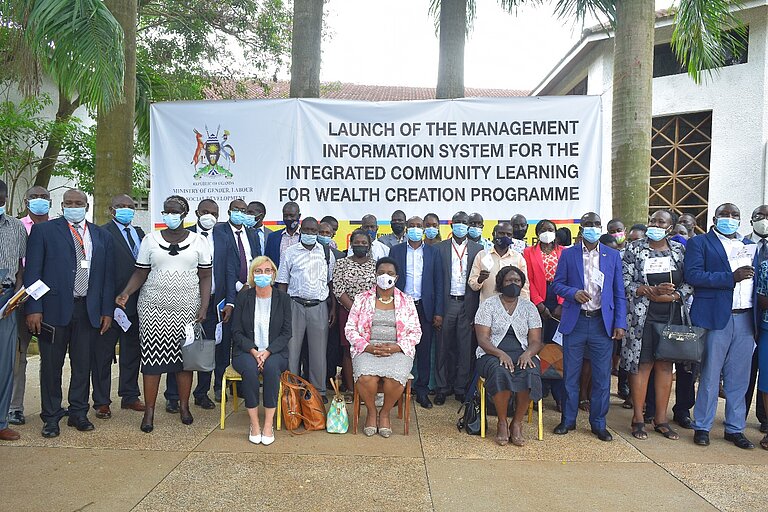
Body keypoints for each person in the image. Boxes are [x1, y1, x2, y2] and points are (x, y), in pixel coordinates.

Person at [116, 195, 212, 433]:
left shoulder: (199, 241)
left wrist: (204, 307)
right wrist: (126, 292)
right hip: (153, 308)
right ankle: (149, 411)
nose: (170, 215)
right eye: (166, 211)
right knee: (152, 361)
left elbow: (206, 276)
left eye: (175, 211)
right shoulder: (150, 240)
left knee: (184, 363)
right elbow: (140, 272)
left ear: (184, 214)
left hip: (187, 308)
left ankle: (184, 406)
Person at [25, 188, 115, 438]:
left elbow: (107, 278)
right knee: (51, 366)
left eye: (79, 203)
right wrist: (34, 308)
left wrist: (106, 310)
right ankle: (51, 417)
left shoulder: (100, 236)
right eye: (69, 203)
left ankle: (78, 413)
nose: (73, 206)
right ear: (62, 206)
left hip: (88, 310)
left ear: (87, 206)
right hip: (52, 310)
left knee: (83, 364)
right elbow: (33, 274)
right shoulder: (44, 232)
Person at [686, 203, 757, 449]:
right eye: (724, 215)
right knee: (710, 374)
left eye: (734, 215)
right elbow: (693, 275)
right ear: (714, 218)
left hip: (746, 316)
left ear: (740, 220)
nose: (729, 219)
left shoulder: (750, 245)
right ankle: (702, 426)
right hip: (716, 317)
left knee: (739, 378)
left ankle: (735, 428)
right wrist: (730, 277)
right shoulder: (700, 243)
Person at [552, 212, 627, 442]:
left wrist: (620, 323)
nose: (592, 228)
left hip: (601, 323)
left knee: (602, 377)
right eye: (588, 224)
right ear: (581, 228)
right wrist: (572, 293)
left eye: (596, 224)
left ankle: (598, 423)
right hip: (576, 321)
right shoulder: (568, 254)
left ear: (601, 228)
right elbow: (556, 284)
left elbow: (619, 293)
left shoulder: (612, 255)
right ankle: (568, 420)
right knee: (571, 375)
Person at [621, 210, 692, 441]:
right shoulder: (633, 249)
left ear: (670, 227)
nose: (655, 224)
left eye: (661, 221)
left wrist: (673, 296)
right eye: (653, 220)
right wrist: (647, 291)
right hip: (643, 315)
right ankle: (638, 418)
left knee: (664, 365)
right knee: (643, 365)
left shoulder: (679, 250)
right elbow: (624, 281)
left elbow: (690, 282)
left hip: (671, 313)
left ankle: (661, 420)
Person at [166, 198, 238, 410]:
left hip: (216, 302)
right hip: (186, 300)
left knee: (208, 348)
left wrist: (231, 302)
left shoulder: (224, 237)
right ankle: (173, 396)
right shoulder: (183, 234)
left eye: (214, 214)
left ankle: (201, 392)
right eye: (205, 211)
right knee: (180, 347)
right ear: (196, 213)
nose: (209, 216)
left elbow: (230, 270)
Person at [345, 257, 422, 437]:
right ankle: (371, 413)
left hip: (398, 350)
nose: (385, 276)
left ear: (396, 277)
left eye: (390, 273)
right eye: (381, 273)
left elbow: (416, 332)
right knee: (366, 379)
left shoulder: (407, 301)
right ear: (375, 275)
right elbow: (349, 329)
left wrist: (396, 347)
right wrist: (367, 347)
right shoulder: (361, 299)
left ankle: (385, 413)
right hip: (367, 349)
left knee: (394, 380)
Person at [475, 266, 543, 446]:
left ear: (522, 284)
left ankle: (517, 423)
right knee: (500, 371)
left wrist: (528, 353)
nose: (513, 284)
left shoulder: (529, 308)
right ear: (500, 283)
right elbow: (482, 339)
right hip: (492, 353)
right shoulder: (488, 305)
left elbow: (536, 341)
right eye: (508, 281)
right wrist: (499, 353)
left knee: (530, 372)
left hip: (523, 353)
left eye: (517, 281)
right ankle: (502, 422)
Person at [93, 194, 146, 421]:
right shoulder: (102, 233)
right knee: (103, 354)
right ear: (111, 209)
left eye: (130, 207)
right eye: (121, 206)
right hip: (111, 304)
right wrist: (109, 301)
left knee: (132, 352)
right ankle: (102, 401)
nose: (126, 210)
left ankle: (130, 395)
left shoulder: (140, 233)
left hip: (136, 304)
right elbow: (100, 270)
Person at [231, 256, 291, 445]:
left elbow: (286, 332)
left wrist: (268, 352)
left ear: (273, 274)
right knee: (249, 370)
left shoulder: (283, 298)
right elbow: (236, 331)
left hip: (275, 353)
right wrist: (254, 351)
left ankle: (268, 424)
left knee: (272, 369)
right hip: (246, 352)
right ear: (252, 274)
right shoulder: (244, 297)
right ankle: (254, 424)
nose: (263, 275)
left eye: (267, 271)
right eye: (258, 271)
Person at [276, 217, 336, 399]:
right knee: (292, 352)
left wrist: (332, 308)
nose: (310, 234)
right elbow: (282, 283)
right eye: (307, 230)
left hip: (319, 306)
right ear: (301, 230)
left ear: (318, 232)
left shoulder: (327, 253)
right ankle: (291, 390)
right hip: (295, 306)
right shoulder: (290, 252)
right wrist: (284, 309)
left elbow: (330, 282)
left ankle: (318, 392)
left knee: (319, 353)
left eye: (314, 231)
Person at [390, 216, 444, 409]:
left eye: (418, 226)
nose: (415, 229)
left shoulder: (432, 252)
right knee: (400, 348)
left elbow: (439, 283)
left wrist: (438, 312)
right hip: (401, 306)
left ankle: (422, 391)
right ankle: (397, 390)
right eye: (411, 226)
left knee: (423, 350)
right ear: (406, 229)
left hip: (424, 307)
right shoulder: (396, 251)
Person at [8, 185, 50, 427]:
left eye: (44, 197)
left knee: (51, 356)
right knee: (18, 355)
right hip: (20, 298)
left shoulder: (59, 227)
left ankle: (51, 407)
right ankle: (15, 407)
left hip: (50, 300)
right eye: (34, 197)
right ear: (26, 201)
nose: (39, 201)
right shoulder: (16, 228)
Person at [435, 211, 482, 404]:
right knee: (443, 347)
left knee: (465, 349)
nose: (461, 225)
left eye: (465, 222)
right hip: (447, 303)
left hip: (467, 304)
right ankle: (442, 387)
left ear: (470, 226)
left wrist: (476, 312)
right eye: (458, 222)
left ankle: (460, 388)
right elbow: (436, 282)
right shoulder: (440, 248)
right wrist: (438, 311)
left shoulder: (478, 248)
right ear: (452, 224)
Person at [523, 219, 564, 409]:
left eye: (550, 229)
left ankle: (558, 393)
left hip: (559, 302)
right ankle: (538, 389)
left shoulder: (564, 252)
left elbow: (569, 278)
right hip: (537, 301)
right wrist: (539, 304)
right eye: (543, 230)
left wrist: (561, 304)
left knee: (556, 347)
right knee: (537, 344)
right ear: (537, 233)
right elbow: (528, 280)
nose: (547, 232)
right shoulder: (528, 253)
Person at [333, 230, 377, 393]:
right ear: (351, 244)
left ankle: (366, 390)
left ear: (369, 245)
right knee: (348, 350)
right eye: (357, 243)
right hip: (347, 312)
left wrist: (365, 312)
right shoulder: (342, 264)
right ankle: (352, 390)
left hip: (370, 313)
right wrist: (355, 310)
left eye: (364, 243)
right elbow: (338, 289)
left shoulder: (375, 265)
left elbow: (378, 290)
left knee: (367, 350)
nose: (360, 246)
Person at [0, 179, 26, 441]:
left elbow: (21, 268)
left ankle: (1, 421)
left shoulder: (16, 227)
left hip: (6, 300)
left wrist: (15, 297)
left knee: (5, 363)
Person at [745, 205, 768, 433]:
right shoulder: (742, 245)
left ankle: (764, 417)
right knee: (746, 368)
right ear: (751, 220)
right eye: (760, 216)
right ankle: (739, 415)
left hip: (767, 318)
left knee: (767, 371)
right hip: (746, 315)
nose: (764, 220)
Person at [468, 222, 530, 304]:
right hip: (488, 306)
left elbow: (524, 287)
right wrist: (480, 280)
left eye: (509, 234)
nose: (505, 237)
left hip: (511, 307)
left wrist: (525, 305)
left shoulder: (518, 257)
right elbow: (472, 284)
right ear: (494, 234)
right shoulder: (482, 255)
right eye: (501, 233)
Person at [264, 201, 301, 268]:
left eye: (292, 216)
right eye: (285, 216)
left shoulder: (306, 237)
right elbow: (267, 262)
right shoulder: (273, 237)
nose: (289, 219)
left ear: (299, 216)